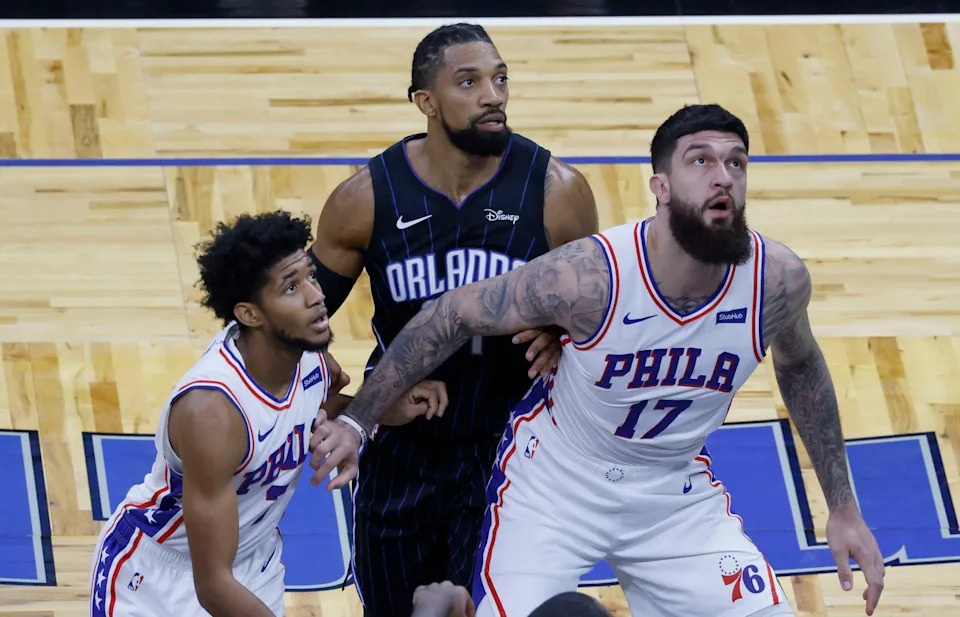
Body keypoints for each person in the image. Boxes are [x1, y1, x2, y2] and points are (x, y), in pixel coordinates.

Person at [310, 104, 888, 617]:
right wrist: (361, 418)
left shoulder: (776, 280)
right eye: (701, 161)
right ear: (660, 186)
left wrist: (842, 507)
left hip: (672, 492)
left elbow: (802, 366)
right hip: (556, 486)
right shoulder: (592, 276)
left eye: (737, 163)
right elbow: (453, 312)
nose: (723, 176)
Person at [306, 22, 599, 617]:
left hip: (512, 447)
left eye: (499, 79)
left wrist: (560, 331)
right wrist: (340, 393)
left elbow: (607, 313)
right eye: (469, 82)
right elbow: (287, 324)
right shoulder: (366, 198)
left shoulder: (556, 192)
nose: (493, 95)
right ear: (426, 102)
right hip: (401, 448)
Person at [88, 210, 391, 617]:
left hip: (255, 563)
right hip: (163, 576)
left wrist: (378, 407)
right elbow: (212, 583)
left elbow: (308, 413)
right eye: (291, 287)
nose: (316, 296)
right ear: (250, 314)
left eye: (311, 277)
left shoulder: (312, 360)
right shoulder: (211, 412)